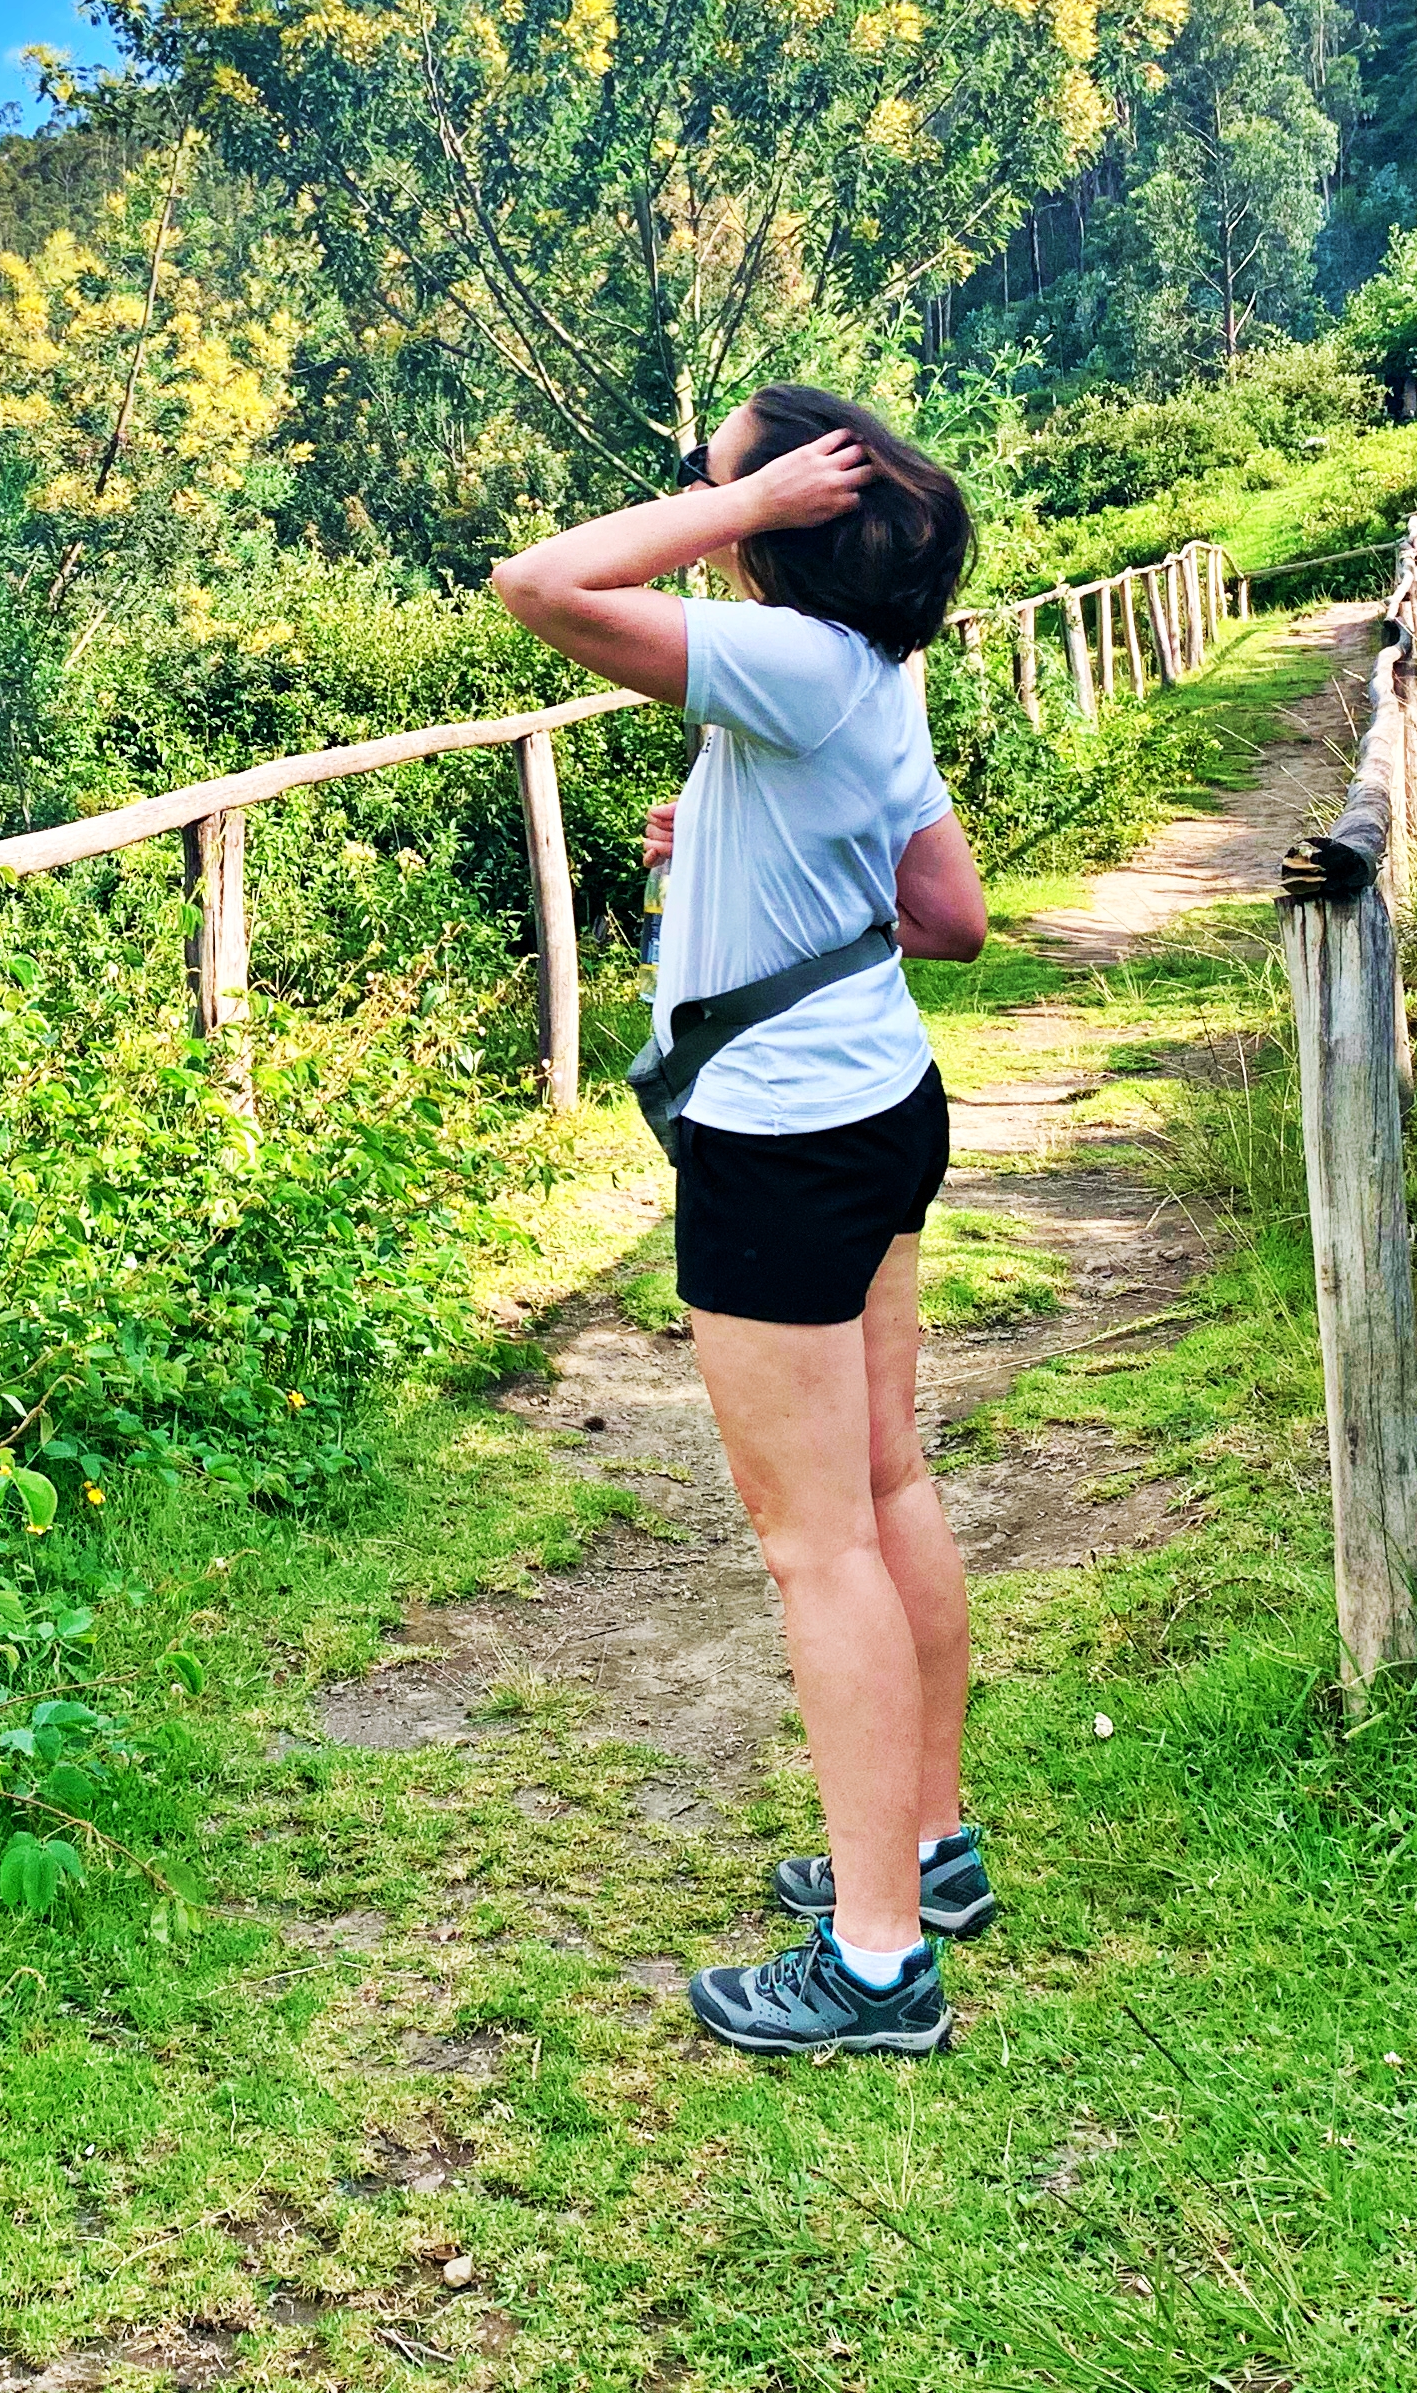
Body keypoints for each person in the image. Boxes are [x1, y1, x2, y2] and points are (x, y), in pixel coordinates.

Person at [490, 383, 992, 2058]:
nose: (707, 508)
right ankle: (930, 1852)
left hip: (781, 1142)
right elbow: (946, 913)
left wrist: (741, 502)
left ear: (793, 520)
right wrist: (735, 846)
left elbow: (542, 585)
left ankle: (871, 1969)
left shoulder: (790, 661)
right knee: (887, 1478)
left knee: (813, 1543)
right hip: (879, 1097)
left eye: (728, 494)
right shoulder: (874, 680)